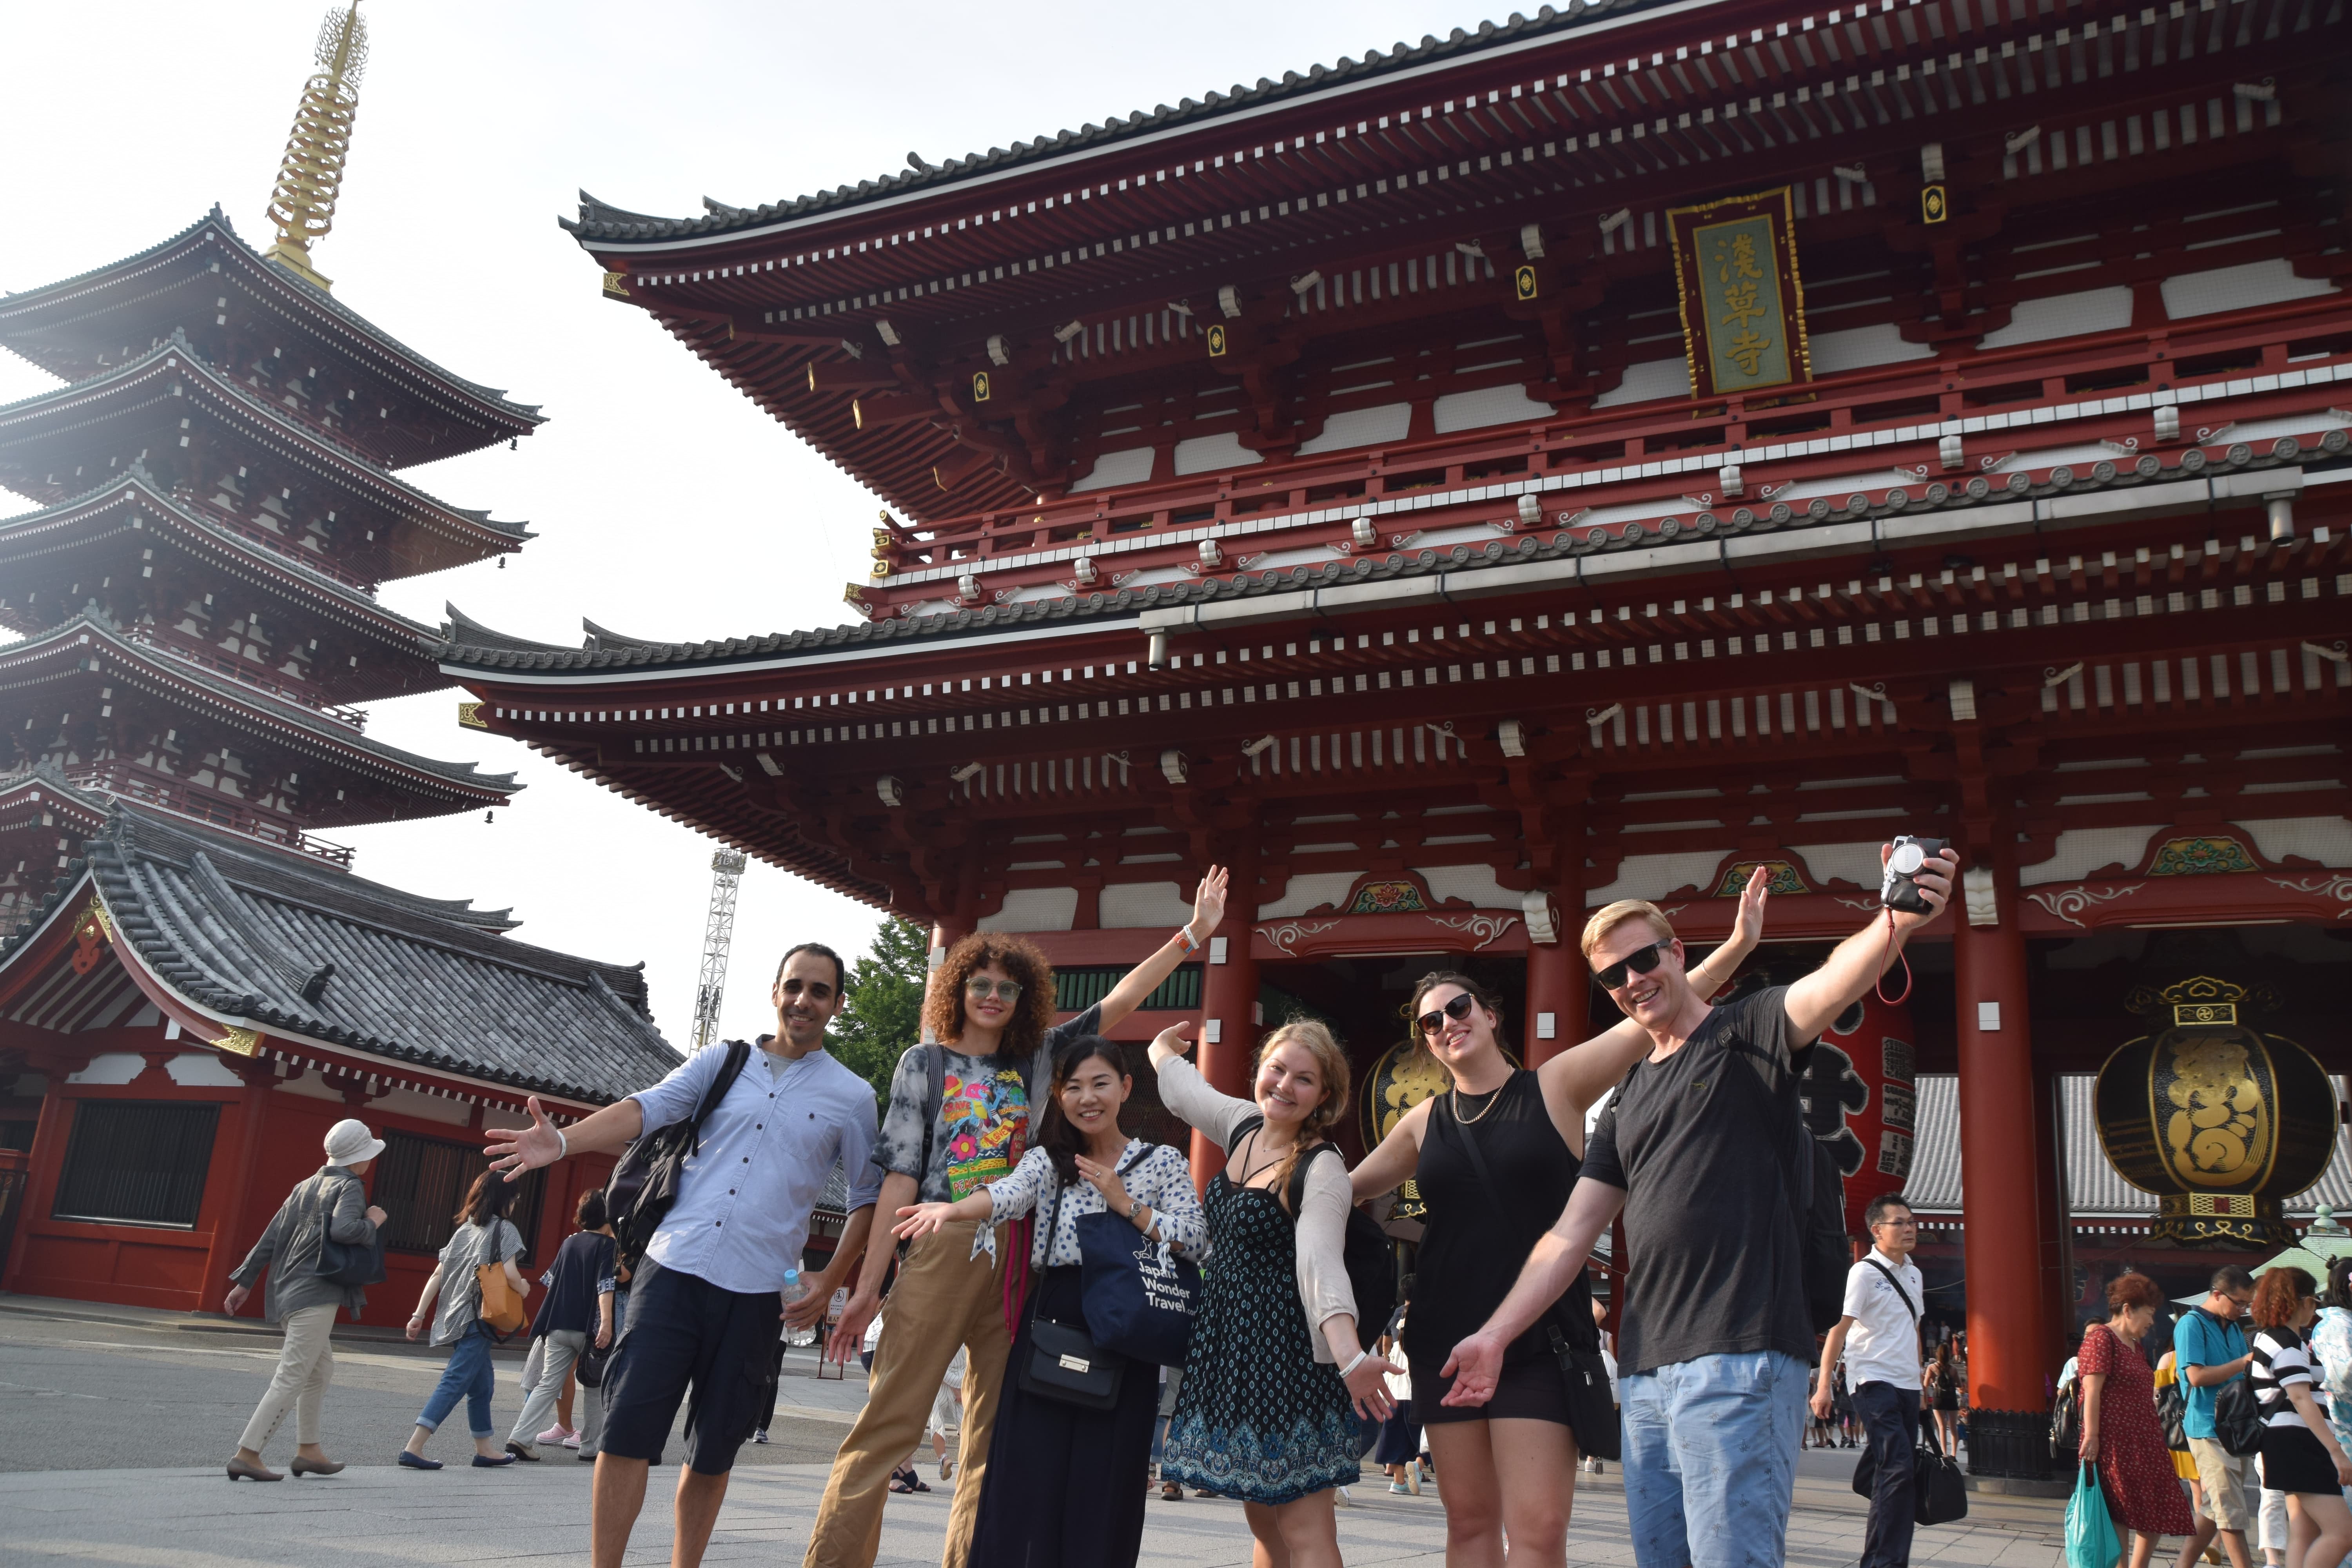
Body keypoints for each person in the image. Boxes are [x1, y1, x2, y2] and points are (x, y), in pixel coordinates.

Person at [1438, 841, 1959, 1568]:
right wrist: (1495, 1335)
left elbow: (1831, 982)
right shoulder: (1626, 1102)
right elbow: (1569, 1236)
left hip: (1741, 1353)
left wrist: (1896, 919)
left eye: (1643, 960)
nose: (1633, 981)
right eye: (1613, 977)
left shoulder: (1748, 1033)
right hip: (1649, 1373)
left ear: (1677, 952)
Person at [808, 867, 1228, 1568]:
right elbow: (901, 1177)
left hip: (1022, 1251)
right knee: (891, 1424)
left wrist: (1193, 933)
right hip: (946, 1238)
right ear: (958, 990)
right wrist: (867, 1283)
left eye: (1007, 987)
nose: (994, 997)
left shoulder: (1041, 1057)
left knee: (991, 1439)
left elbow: (1120, 1000)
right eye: (981, 985)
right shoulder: (926, 1062)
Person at [1344, 869, 1766, 1565]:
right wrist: (1274, 1172)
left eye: (1458, 1009)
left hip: (1539, 1339)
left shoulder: (1556, 1086)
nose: (1447, 1024)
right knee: (1469, 1526)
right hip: (1444, 1334)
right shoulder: (1422, 1123)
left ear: (1489, 1014)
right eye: (1432, 1022)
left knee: (1538, 1531)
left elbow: (1649, 1016)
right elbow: (1343, 1190)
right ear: (1425, 1043)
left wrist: (1738, 947)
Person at [483, 941, 882, 1568]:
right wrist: (561, 1142)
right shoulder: (723, 1061)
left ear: (836, 1005)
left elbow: (868, 1197)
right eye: (795, 986)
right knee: (625, 1435)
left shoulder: (852, 1096)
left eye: (820, 991)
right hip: (672, 1270)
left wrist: (832, 1278)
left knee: (715, 1447)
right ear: (775, 991)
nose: (804, 1000)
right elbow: (646, 1109)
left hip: (757, 1292)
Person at [894, 1031, 1207, 1566]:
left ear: (1126, 1087)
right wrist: (953, 1210)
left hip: (1126, 1330)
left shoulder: (1162, 1162)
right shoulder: (1049, 1161)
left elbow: (1197, 1239)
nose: (1088, 1098)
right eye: (1074, 1087)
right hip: (1054, 1321)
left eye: (1101, 1084)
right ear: (1059, 1096)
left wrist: (1125, 1203)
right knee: (1024, 1483)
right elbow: (1007, 1194)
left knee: (1102, 1488)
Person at [1151, 1016, 1398, 1568]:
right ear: (1260, 1071)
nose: (1284, 1086)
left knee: (1305, 1527)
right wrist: (1162, 1051)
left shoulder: (1323, 1167)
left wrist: (1351, 1356)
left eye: (1304, 1079)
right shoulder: (1242, 1125)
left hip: (1289, 1361)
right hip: (1232, 1351)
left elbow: (1319, 1264)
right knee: (1264, 1523)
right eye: (1277, 1070)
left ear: (1325, 1096)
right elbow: (1189, 1093)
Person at [221, 1116, 389, 1481]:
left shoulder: (305, 1185)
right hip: (316, 1291)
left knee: (320, 1370)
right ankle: (248, 1453)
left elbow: (271, 1235)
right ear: (359, 1158)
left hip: (286, 1288)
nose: (370, 1162)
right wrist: (374, 1221)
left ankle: (309, 1451)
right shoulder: (351, 1187)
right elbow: (345, 1231)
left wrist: (245, 1282)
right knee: (293, 1375)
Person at [1815, 1194, 1928, 1568]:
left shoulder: (1914, 1273)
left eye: (1912, 1221)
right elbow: (1839, 1330)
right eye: (1900, 1223)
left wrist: (1921, 1380)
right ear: (1877, 1231)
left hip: (1908, 1385)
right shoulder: (1863, 1273)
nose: (1910, 1228)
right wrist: (1824, 1384)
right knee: (1899, 1469)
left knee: (1893, 1470)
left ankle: (1879, 1555)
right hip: (1872, 1380)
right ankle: (1887, 1563)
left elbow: (1913, 1329)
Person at [399, 1170, 529, 1469]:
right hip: (479, 1318)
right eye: (516, 1197)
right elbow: (511, 1275)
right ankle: (414, 1447)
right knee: (455, 1380)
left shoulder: (464, 1230)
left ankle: (485, 1449)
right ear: (505, 1199)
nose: (516, 1203)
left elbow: (437, 1275)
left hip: (453, 1315)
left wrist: (419, 1314)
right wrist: (523, 1287)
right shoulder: (505, 1229)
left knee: (482, 1385)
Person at [2081, 1272, 2196, 1567]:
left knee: (2158, 1506)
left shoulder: (2136, 1345)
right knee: (2119, 1511)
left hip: (2145, 1439)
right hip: (2114, 1442)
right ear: (2128, 1309)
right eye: (2149, 1314)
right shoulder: (2101, 1339)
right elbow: (2092, 1391)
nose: (2151, 1322)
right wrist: (2092, 1437)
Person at [2246, 1266, 2352, 1568]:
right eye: (2313, 1302)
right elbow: (2301, 1398)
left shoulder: (2275, 1338)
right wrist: (2336, 1452)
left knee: (2305, 1533)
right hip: (2298, 1443)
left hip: (2288, 1442)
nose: (2315, 1309)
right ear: (2303, 1301)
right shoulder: (2287, 1342)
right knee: (2343, 1533)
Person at [505, 1188, 618, 1461]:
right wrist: (606, 1323)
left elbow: (549, 1280)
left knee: (547, 1384)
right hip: (589, 1328)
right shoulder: (608, 1247)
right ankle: (590, 1448)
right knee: (593, 1387)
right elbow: (606, 1286)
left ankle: (520, 1438)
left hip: (557, 1324)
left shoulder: (570, 1242)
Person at [2177, 1265, 2260, 1568]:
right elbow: (2196, 1377)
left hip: (2233, 1428)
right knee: (2231, 1513)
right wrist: (2242, 1362)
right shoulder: (2191, 1324)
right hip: (2206, 1427)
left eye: (2246, 1304)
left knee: (2214, 1510)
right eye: (2239, 1303)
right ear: (2216, 1294)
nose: (2243, 1309)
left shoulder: (2235, 1328)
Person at [2155, 1350, 2207, 1533]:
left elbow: (2159, 1396)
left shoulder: (2170, 1358)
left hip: (2184, 1428)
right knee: (2209, 1491)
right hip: (2203, 1425)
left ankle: (2206, 1539)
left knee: (2199, 1490)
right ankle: (2211, 1542)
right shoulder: (2211, 1352)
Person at [1377, 1323, 1422, 1495]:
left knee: (1397, 1440)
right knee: (1424, 1440)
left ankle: (1398, 1482)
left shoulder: (1397, 1346)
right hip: (1415, 1397)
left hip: (1395, 1398)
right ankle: (1418, 1466)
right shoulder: (1419, 1344)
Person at [1927, 1341, 1963, 1459]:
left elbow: (1925, 1384)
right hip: (1951, 1398)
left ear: (1938, 1354)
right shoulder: (1953, 1369)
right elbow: (1959, 1384)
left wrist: (1934, 1382)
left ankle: (1944, 1454)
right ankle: (1954, 1454)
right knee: (1953, 1426)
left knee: (1941, 1427)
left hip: (1938, 1398)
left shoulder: (1932, 1368)